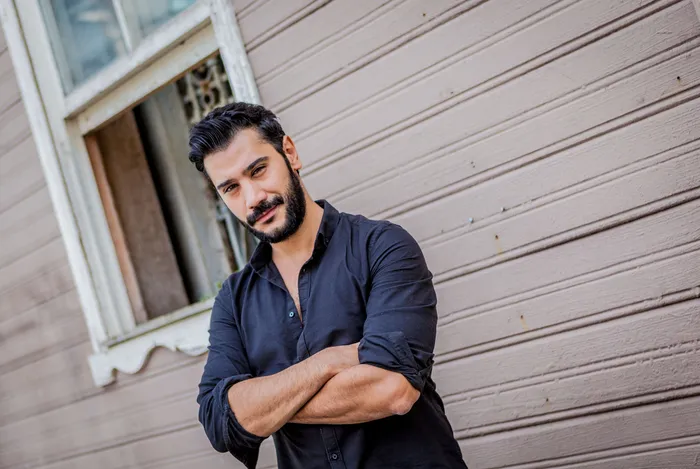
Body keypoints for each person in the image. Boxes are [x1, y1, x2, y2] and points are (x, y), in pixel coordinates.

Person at [190, 102, 468, 469]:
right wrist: (328, 362)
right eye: (231, 188)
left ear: (290, 153)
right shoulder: (234, 300)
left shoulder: (382, 247)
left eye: (258, 170)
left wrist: (265, 406)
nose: (253, 198)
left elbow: (392, 389)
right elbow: (218, 422)